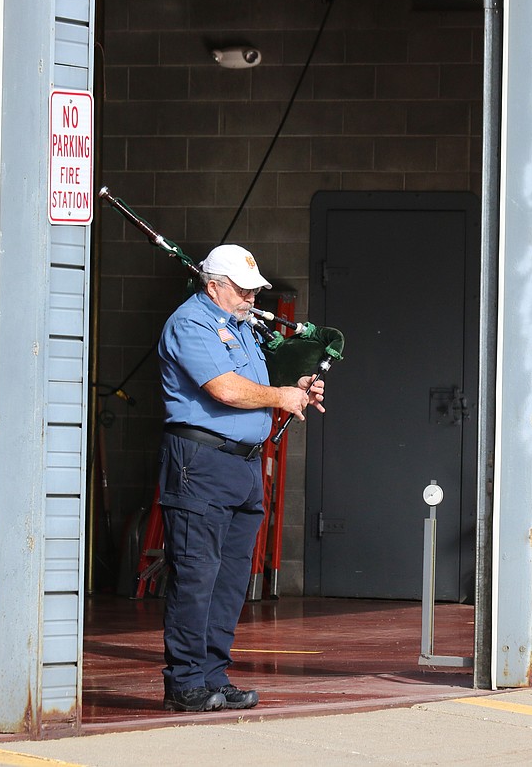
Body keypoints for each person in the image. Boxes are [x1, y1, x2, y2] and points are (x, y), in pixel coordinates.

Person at [157, 243, 325, 712]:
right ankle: (186, 681)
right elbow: (226, 389)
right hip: (202, 462)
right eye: (244, 290)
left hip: (244, 464)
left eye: (255, 290)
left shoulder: (239, 326)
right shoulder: (191, 323)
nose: (252, 298)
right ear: (214, 286)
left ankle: (212, 673)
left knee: (230, 578)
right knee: (196, 575)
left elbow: (259, 384)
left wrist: (297, 389)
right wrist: (280, 396)